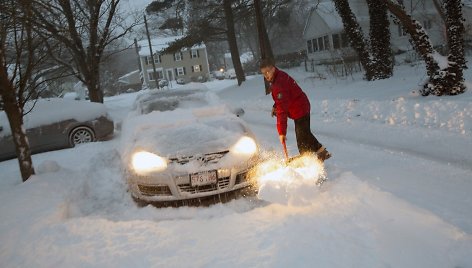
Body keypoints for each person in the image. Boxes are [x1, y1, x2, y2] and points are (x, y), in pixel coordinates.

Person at [259, 58, 331, 162]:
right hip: (300, 106)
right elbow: (284, 98)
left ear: (273, 68)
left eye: (267, 72)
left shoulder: (279, 83)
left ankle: (308, 162)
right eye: (263, 73)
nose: (266, 75)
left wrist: (282, 132)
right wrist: (276, 106)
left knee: (302, 140)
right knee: (305, 133)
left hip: (300, 109)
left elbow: (282, 111)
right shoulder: (278, 77)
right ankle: (322, 152)